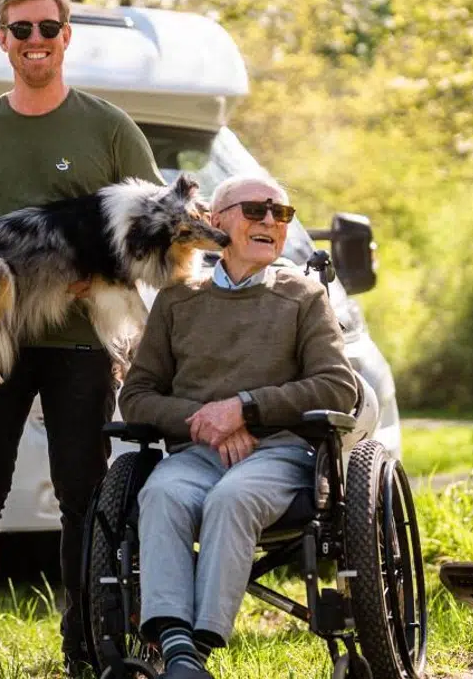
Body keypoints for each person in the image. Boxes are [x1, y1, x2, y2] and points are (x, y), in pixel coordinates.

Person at [0, 0, 163, 679]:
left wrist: (104, 272)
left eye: (47, 28)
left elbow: (146, 222)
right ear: (2, 39)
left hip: (80, 341)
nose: (34, 41)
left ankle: (83, 648)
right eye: (20, 29)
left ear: (65, 36)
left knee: (84, 497)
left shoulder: (107, 126)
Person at [118, 174, 361, 679]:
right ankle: (177, 646)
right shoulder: (178, 300)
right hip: (198, 453)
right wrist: (205, 422)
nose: (270, 221)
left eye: (282, 214)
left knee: (234, 498)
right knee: (160, 495)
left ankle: (193, 654)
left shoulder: (305, 296)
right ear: (215, 220)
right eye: (255, 210)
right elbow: (136, 395)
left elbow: (339, 388)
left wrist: (246, 408)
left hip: (281, 454)